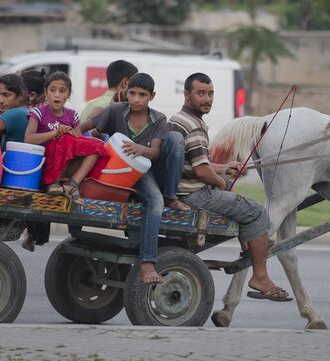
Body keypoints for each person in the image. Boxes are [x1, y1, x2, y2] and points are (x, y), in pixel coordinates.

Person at [173, 72, 290, 301]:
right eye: (201, 93)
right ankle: (260, 276)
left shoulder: (180, 120)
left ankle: (249, 243)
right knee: (257, 212)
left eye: (210, 94)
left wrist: (224, 167)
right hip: (193, 194)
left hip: (184, 189)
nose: (207, 99)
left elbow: (195, 163)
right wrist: (219, 182)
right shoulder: (195, 127)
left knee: (231, 190)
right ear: (187, 95)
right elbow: (201, 172)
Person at [79, 72, 189, 285]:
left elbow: (155, 152)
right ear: (126, 92)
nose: (136, 99)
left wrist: (140, 148)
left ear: (152, 96)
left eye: (142, 95)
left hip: (147, 170)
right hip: (121, 171)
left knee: (175, 140)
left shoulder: (158, 119)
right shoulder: (115, 110)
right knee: (153, 201)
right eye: (132, 93)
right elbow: (83, 128)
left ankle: (170, 198)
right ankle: (147, 261)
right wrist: (73, 138)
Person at [21, 71, 108, 251]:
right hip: (44, 165)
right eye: (53, 90)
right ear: (46, 92)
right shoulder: (38, 112)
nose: (57, 95)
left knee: (96, 146)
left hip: (66, 165)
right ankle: (52, 184)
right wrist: (55, 133)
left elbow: (78, 141)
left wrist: (68, 132)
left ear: (68, 94)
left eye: (62, 91)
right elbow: (28, 139)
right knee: (64, 140)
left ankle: (73, 183)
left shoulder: (72, 115)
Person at [0, 74, 29, 151]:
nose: (0, 100)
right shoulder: (24, 111)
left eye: (6, 95)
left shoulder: (16, 113)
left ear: (20, 96)